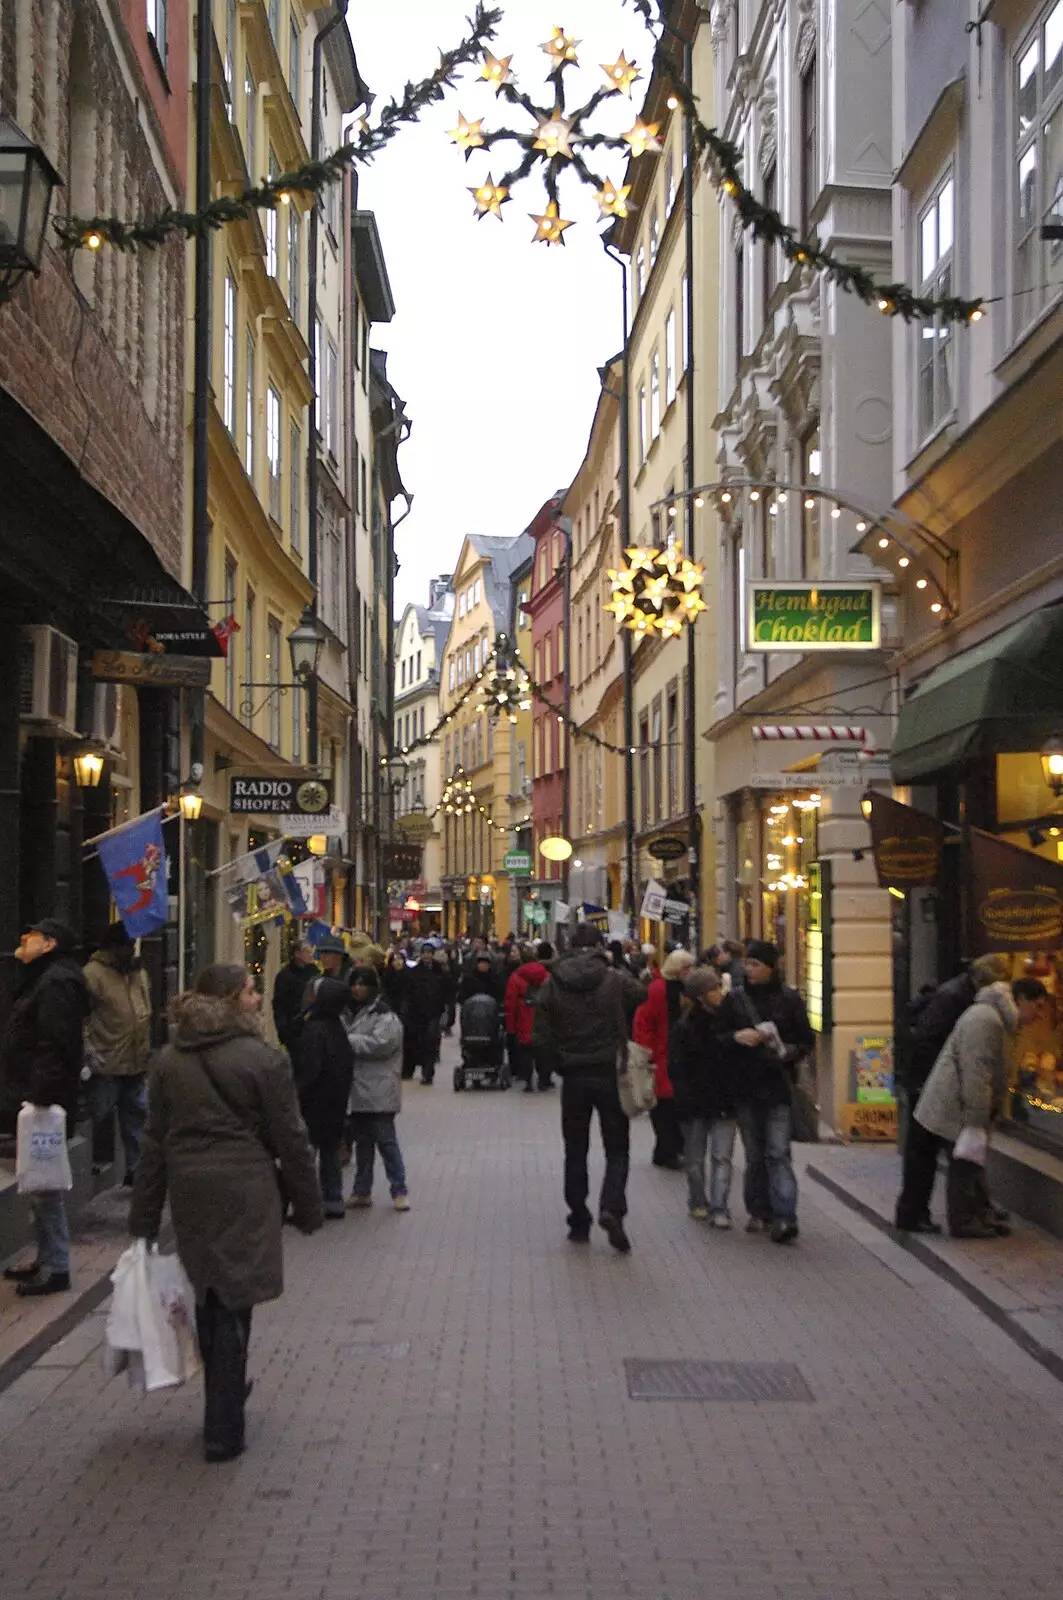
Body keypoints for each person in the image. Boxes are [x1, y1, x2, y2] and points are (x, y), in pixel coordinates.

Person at [128, 964, 323, 1462]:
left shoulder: (169, 1060)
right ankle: (224, 1424)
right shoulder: (262, 1058)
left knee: (210, 1288)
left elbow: (153, 1143)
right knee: (235, 1295)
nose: (258, 999)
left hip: (190, 1188)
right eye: (252, 992)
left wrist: (145, 1216)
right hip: (246, 1186)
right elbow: (291, 1137)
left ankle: (222, 1394)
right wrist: (308, 1204)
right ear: (233, 1000)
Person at [896, 977, 1046, 1238]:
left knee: (965, 1162)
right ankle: (963, 1221)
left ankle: (977, 1215)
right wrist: (977, 1119)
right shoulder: (987, 1020)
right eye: (1038, 1006)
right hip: (952, 1104)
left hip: (956, 1103)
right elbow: (976, 1072)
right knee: (962, 1162)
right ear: (1021, 1000)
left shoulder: (999, 1020)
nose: (1040, 1015)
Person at [532, 923, 643, 1252]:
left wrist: (552, 1067)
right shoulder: (613, 978)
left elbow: (541, 1033)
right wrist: (616, 964)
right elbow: (642, 993)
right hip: (610, 1073)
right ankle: (611, 1207)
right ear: (599, 946)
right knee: (617, 1148)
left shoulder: (553, 982)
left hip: (574, 1076)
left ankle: (578, 1218)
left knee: (575, 1149)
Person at [1, 919, 89, 1297]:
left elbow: (55, 1043)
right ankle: (47, 1256)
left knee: (44, 1182)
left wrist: (39, 1097)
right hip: (33, 1093)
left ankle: (57, 1266)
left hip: (41, 1098)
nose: (23, 938)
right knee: (38, 1179)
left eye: (31, 934)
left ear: (50, 944)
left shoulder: (56, 983)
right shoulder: (45, 978)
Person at [722, 940, 814, 1244]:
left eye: (755, 964)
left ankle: (786, 1215)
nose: (749, 969)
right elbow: (717, 1038)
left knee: (778, 1153)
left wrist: (787, 1050)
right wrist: (737, 1037)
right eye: (747, 963)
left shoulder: (789, 1000)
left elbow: (805, 1040)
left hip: (777, 1086)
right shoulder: (735, 1000)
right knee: (755, 1155)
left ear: (770, 968)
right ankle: (759, 1210)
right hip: (745, 1086)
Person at [83, 922, 153, 1187]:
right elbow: (83, 1016)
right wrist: (88, 1048)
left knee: (137, 1115)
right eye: (127, 946)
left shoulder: (138, 973)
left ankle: (136, 1169)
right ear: (113, 948)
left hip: (135, 1058)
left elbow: (144, 1009)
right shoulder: (93, 974)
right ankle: (94, 1163)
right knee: (99, 1112)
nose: (131, 951)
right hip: (107, 1057)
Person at [668, 967, 736, 1224]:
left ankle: (720, 1207)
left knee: (722, 1157)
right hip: (694, 1104)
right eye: (714, 989)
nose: (720, 993)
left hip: (723, 1101)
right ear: (700, 996)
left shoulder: (728, 1021)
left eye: (719, 987)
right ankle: (698, 1200)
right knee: (695, 1161)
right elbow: (676, 1068)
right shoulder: (684, 1028)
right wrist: (682, 1098)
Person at [345, 966, 409, 1210]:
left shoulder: (385, 1015)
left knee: (386, 1141)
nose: (357, 988)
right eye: (354, 983)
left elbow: (382, 1044)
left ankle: (399, 1189)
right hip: (359, 1089)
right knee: (363, 1143)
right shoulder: (352, 1012)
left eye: (362, 983)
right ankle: (362, 1190)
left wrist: (348, 1041)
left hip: (379, 1088)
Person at [294, 977, 355, 1219]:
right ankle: (333, 1197)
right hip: (335, 1101)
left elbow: (309, 1069)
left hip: (314, 1101)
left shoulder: (315, 1029)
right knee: (329, 1150)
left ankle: (306, 1201)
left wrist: (297, 1092)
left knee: (306, 1153)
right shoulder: (336, 1028)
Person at [633, 947, 694, 1169]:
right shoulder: (659, 989)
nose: (690, 971)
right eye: (686, 967)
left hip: (678, 1056)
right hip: (662, 1055)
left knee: (674, 1105)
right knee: (665, 1106)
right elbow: (644, 1022)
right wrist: (648, 1052)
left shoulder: (686, 990)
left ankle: (670, 1149)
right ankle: (667, 1151)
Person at [504, 942, 554, 1093]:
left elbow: (510, 1003)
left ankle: (528, 1081)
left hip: (523, 1019)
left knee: (525, 1052)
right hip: (543, 1021)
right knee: (543, 1052)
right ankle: (543, 1080)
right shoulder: (547, 976)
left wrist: (510, 1026)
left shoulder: (516, 977)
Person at [401, 944, 449, 1084]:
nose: (427, 956)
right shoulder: (414, 972)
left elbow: (446, 992)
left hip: (434, 1013)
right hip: (417, 1013)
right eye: (424, 953)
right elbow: (408, 993)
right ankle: (413, 1069)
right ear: (421, 954)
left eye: (429, 953)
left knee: (431, 1041)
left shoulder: (440, 972)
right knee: (418, 1041)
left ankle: (428, 1074)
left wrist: (445, 1010)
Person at [271, 939, 319, 1058]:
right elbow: (279, 1005)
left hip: (313, 1027)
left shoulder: (314, 971)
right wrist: (284, 1032)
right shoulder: (284, 976)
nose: (310, 954)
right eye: (306, 951)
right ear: (297, 954)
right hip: (294, 1029)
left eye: (310, 951)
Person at [381, 948, 409, 1015]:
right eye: (394, 960)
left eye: (400, 959)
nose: (398, 962)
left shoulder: (409, 974)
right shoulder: (387, 975)